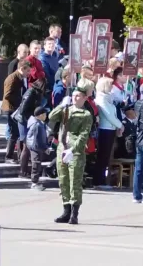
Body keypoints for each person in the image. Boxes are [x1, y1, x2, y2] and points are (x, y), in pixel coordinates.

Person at [50, 87, 93, 224]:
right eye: (74, 95)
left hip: (75, 151)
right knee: (63, 180)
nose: (75, 98)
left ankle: (74, 213)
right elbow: (51, 117)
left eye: (78, 96)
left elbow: (83, 135)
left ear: (85, 98)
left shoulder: (86, 114)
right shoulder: (65, 110)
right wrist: (62, 105)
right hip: (62, 148)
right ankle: (66, 211)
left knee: (75, 181)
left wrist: (73, 149)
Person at [94, 77, 124, 187]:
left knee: (106, 156)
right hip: (105, 129)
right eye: (110, 85)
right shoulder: (101, 98)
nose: (112, 87)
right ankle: (98, 181)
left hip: (110, 129)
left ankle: (101, 180)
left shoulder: (108, 98)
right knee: (102, 156)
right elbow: (109, 115)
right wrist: (120, 125)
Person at [15, 79, 47, 179]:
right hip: (24, 121)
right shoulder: (31, 92)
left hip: (28, 120)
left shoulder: (34, 92)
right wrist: (33, 117)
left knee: (27, 146)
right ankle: (22, 171)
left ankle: (24, 170)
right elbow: (23, 110)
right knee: (26, 146)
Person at [2, 60, 31, 163]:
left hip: (16, 109)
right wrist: (19, 101)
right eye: (27, 71)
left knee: (17, 133)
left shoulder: (20, 78)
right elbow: (7, 95)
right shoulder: (13, 78)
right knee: (14, 132)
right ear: (22, 69)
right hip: (11, 109)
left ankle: (19, 156)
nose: (29, 74)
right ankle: (8, 156)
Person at [26, 107, 50, 191]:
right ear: (41, 115)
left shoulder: (39, 123)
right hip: (36, 147)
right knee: (36, 164)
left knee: (37, 164)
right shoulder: (37, 125)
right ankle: (34, 183)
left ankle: (35, 181)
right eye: (45, 114)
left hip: (36, 147)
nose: (46, 115)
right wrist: (45, 148)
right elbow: (38, 139)